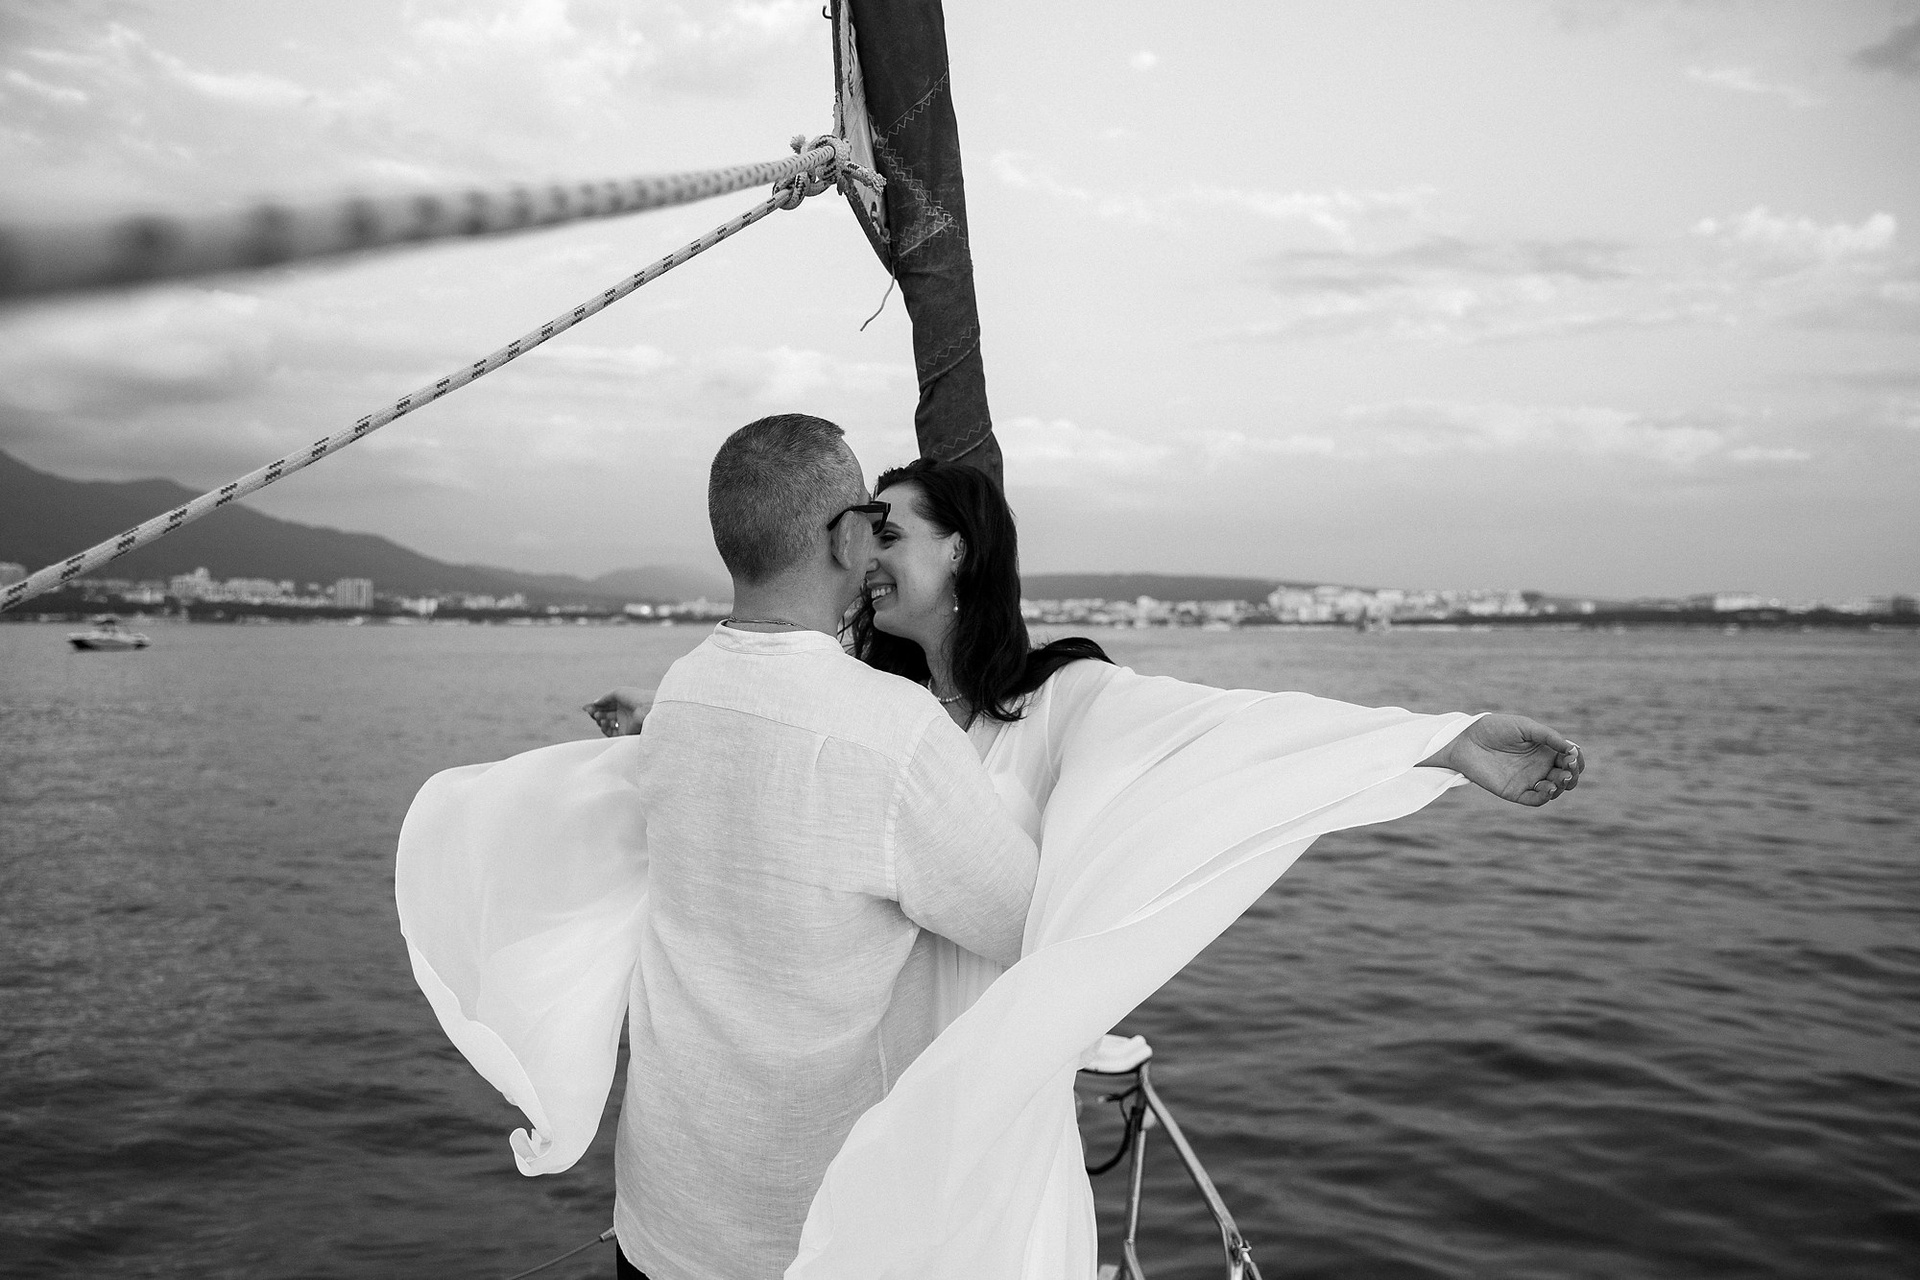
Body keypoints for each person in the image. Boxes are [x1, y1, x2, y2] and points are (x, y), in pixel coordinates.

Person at [590, 457, 1585, 1277]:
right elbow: (769, 760)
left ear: (961, 547)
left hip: (988, 1096)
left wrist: (1442, 741)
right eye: (864, 535)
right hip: (865, 1092)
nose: (869, 558)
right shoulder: (871, 709)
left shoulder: (1064, 698)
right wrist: (656, 722)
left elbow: (1232, 736)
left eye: (890, 533)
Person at [396, 416, 1044, 1280]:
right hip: (808, 1236)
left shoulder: (685, 694)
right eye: (870, 519)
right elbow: (1022, 918)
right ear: (844, 537)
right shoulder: (897, 733)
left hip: (662, 1216)